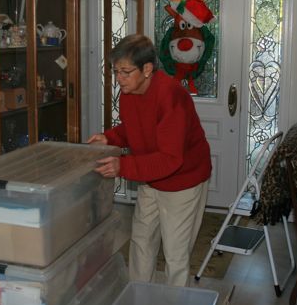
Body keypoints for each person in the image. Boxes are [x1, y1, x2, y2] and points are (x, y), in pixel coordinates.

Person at [88, 34, 211, 287]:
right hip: (152, 176)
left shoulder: (171, 95)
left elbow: (170, 159)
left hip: (183, 181)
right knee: (141, 240)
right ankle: (139, 299)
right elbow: (132, 128)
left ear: (146, 69)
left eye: (125, 71)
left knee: (175, 254)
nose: (118, 78)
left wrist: (123, 166)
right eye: (115, 71)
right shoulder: (129, 92)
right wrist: (109, 138)